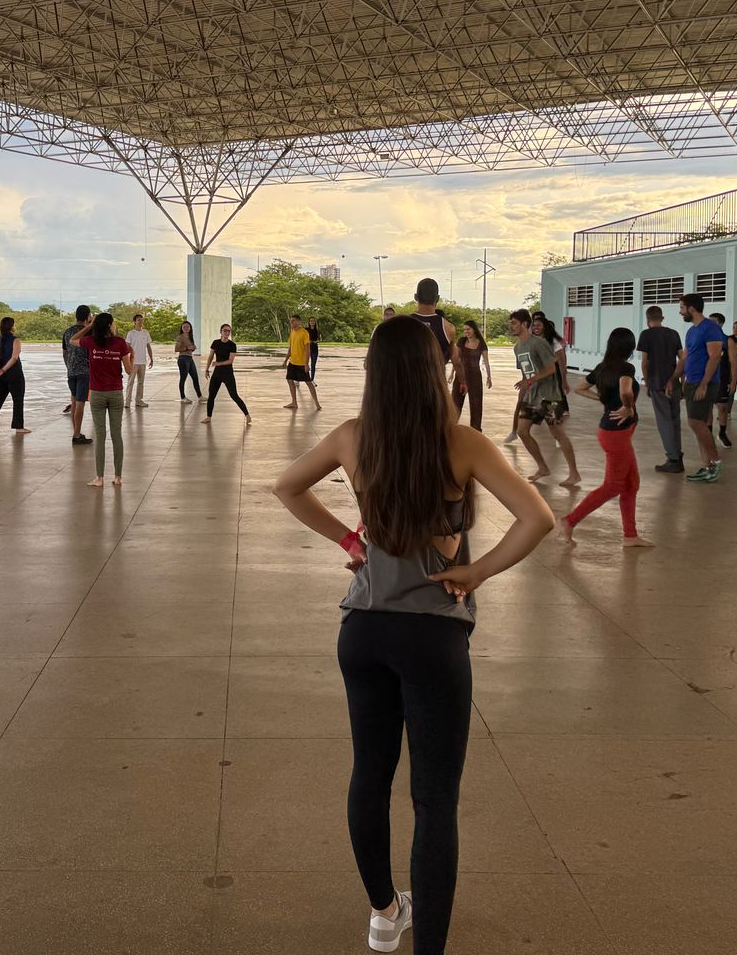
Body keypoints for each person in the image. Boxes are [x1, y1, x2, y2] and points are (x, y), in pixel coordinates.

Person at [272, 315, 552, 955]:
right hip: (432, 638)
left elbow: (286, 486)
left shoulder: (351, 438)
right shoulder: (464, 442)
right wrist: (475, 571)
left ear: (374, 374)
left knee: (369, 775)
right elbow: (537, 517)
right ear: (435, 372)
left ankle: (382, 913)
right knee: (434, 801)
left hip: (363, 631)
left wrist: (349, 537)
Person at [561, 328, 651, 548]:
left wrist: (602, 400)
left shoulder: (603, 368)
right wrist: (628, 407)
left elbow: (580, 388)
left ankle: (630, 536)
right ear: (629, 347)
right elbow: (626, 390)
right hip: (616, 434)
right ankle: (569, 521)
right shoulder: (626, 368)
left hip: (613, 432)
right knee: (612, 486)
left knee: (631, 485)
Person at [509, 309, 580, 485]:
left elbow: (551, 368)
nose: (511, 326)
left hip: (549, 397)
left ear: (525, 324)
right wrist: (525, 385)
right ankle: (543, 467)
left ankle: (574, 473)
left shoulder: (538, 343)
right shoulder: (517, 348)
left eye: (514, 323)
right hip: (532, 396)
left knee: (558, 433)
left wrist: (531, 380)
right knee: (522, 431)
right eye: (510, 323)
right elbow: (527, 372)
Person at [673, 294, 725, 482]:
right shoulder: (691, 331)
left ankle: (716, 463)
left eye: (682, 308)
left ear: (691, 309)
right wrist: (674, 378)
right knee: (698, 424)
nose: (680, 312)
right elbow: (685, 358)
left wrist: (703, 384)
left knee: (696, 423)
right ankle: (707, 465)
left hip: (704, 383)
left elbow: (715, 357)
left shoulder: (710, 328)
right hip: (691, 382)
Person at [78, 313, 135, 487]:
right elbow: (129, 370)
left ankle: (99, 478)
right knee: (116, 434)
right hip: (116, 393)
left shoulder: (90, 342)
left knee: (100, 435)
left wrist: (90, 326)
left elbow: (73, 339)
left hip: (97, 393)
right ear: (110, 325)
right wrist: (130, 358)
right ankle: (118, 477)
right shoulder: (120, 343)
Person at [637, 306, 684, 473]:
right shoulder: (673, 334)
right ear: (662, 318)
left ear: (647, 319)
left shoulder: (646, 334)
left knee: (664, 421)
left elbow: (645, 362)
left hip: (657, 382)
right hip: (674, 381)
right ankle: (678, 455)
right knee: (675, 420)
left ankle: (672, 459)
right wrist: (680, 380)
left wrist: (647, 383)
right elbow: (682, 358)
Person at [0, 317, 30, 435]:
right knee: (18, 399)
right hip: (13, 373)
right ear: (12, 327)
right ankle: (19, 427)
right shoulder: (16, 340)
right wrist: (4, 370)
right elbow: (14, 357)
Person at [204, 323, 251, 424]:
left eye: (229, 331)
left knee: (234, 395)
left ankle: (247, 415)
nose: (227, 333)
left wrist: (218, 363)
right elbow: (211, 356)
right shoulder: (215, 343)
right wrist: (207, 369)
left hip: (227, 373)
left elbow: (230, 361)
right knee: (211, 395)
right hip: (217, 374)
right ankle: (208, 417)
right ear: (221, 331)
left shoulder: (232, 345)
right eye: (225, 330)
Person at [61, 306, 93, 445]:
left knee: (74, 401)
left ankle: (77, 431)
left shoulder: (68, 332)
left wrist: (69, 366)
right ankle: (76, 435)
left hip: (71, 372)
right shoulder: (88, 332)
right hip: (84, 372)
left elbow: (65, 352)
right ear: (87, 317)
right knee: (80, 402)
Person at [451, 321, 491, 431]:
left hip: (475, 377)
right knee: (455, 403)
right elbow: (456, 359)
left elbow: (486, 361)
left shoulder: (481, 343)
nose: (466, 332)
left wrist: (489, 376)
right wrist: (452, 373)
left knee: (476, 404)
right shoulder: (461, 341)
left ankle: (476, 429)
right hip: (461, 377)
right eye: (464, 330)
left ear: (474, 329)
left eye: (468, 329)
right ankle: (450, 427)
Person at [410, 279, 456, 367]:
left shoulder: (403, 324)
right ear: (438, 298)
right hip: (436, 380)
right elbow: (456, 360)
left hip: (408, 380)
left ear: (415, 297)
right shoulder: (448, 327)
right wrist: (462, 380)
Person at [708, 312, 734, 448]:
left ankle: (722, 433)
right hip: (707, 378)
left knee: (722, 408)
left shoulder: (727, 340)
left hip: (722, 379)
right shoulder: (705, 338)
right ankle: (708, 434)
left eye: (713, 321)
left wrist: (732, 381)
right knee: (707, 409)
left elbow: (733, 363)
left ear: (721, 324)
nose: (710, 323)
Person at [285, 315, 323, 411]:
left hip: (301, 363)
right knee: (289, 380)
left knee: (309, 382)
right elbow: (290, 348)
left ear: (299, 322)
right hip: (292, 362)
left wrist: (306, 364)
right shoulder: (292, 332)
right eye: (291, 321)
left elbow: (307, 349)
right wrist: (285, 360)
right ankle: (294, 402)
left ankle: (317, 403)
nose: (292, 323)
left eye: (293, 321)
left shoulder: (304, 333)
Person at [123, 313, 155, 409]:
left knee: (141, 382)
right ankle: (127, 402)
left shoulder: (146, 333)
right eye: (138, 320)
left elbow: (148, 346)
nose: (140, 321)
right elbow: (126, 347)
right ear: (134, 322)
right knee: (130, 382)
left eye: (141, 320)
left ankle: (139, 400)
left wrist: (151, 358)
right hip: (133, 361)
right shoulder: (131, 333)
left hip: (142, 362)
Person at [175, 321, 203, 401]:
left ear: (190, 328)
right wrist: (187, 348)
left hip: (190, 358)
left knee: (195, 377)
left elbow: (191, 349)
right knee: (183, 378)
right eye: (184, 327)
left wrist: (193, 348)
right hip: (183, 359)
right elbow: (176, 349)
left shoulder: (190, 337)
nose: (186, 328)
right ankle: (183, 397)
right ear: (182, 328)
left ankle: (200, 396)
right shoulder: (180, 337)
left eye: (187, 327)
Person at [307, 316, 323, 383]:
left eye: (313, 321)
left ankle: (312, 379)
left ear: (315, 322)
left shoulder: (317, 330)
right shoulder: (306, 330)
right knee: (304, 363)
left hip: (314, 349)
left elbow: (320, 339)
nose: (312, 322)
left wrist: (315, 341)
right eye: (311, 321)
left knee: (313, 364)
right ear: (309, 322)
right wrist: (308, 341)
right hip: (307, 348)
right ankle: (302, 377)